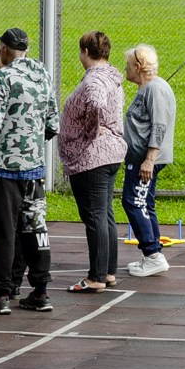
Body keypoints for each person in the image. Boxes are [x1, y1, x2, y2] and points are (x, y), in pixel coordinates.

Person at [0, 27, 57, 315]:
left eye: (0, 48)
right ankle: (41, 289)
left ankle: (0, 293)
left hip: (4, 168)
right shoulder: (42, 73)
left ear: (6, 49)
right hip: (34, 167)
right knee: (35, 227)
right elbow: (52, 123)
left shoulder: (3, 76)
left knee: (5, 231)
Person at [59, 30, 127, 293]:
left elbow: (96, 105)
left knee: (95, 215)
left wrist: (88, 132)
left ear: (86, 52)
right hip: (110, 153)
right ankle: (108, 271)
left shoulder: (95, 79)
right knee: (105, 213)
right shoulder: (111, 75)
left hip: (93, 157)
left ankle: (96, 276)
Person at [121, 44, 177, 279]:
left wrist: (149, 160)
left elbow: (159, 125)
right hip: (142, 158)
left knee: (134, 202)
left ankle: (153, 255)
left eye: (127, 65)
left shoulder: (154, 89)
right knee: (144, 203)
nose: (125, 69)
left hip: (146, 160)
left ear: (138, 66)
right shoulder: (149, 88)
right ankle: (151, 255)